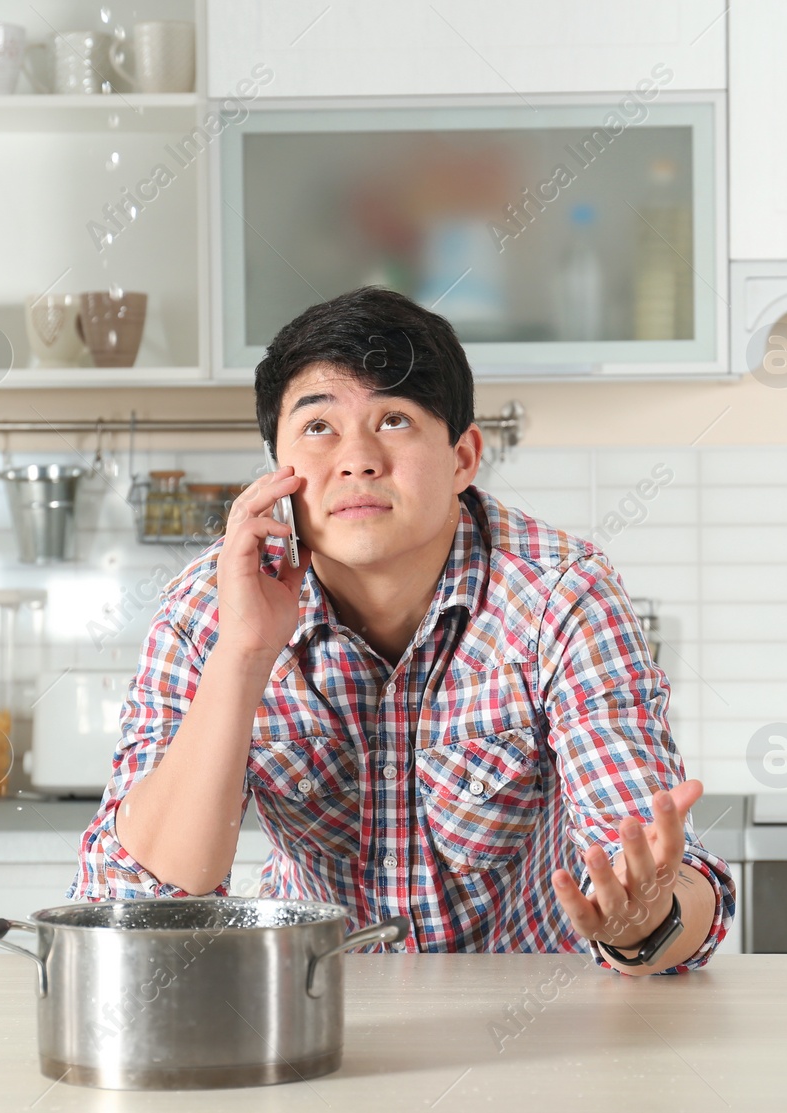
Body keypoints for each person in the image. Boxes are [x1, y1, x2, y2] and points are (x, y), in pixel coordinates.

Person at [68, 285, 735, 974]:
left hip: (536, 1024)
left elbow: (662, 874)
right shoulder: (211, 606)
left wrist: (643, 925)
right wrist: (243, 653)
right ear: (279, 470)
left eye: (394, 419)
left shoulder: (562, 596)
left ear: (464, 457)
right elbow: (140, 899)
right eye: (319, 427)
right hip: (313, 1010)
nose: (357, 459)